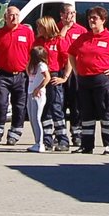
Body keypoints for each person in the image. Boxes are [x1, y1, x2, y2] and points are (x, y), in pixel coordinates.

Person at [70, 7, 109, 154]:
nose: (92, 20)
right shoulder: (83, 38)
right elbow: (71, 53)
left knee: (106, 113)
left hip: (103, 81)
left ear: (103, 20)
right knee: (86, 115)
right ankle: (87, 145)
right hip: (84, 81)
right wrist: (76, 70)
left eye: (95, 18)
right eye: (90, 17)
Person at [0, 4, 34, 146]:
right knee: (0, 103)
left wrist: (32, 73)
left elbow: (33, 54)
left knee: (19, 106)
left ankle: (14, 134)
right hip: (3, 75)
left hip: (21, 76)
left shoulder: (27, 32)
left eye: (17, 15)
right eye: (11, 15)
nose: (14, 18)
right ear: (5, 18)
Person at [35, 16, 69, 151]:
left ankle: (63, 140)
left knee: (56, 108)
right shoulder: (38, 41)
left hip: (54, 77)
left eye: (40, 27)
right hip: (42, 77)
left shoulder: (59, 40)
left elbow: (68, 60)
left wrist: (65, 77)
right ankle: (47, 140)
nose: (38, 29)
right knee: (44, 109)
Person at [57, 4, 87, 148]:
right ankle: (60, 136)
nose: (72, 16)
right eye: (69, 13)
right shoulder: (55, 28)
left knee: (76, 105)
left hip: (76, 71)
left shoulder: (81, 30)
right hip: (58, 70)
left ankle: (77, 134)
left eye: (73, 13)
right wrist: (65, 28)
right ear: (62, 15)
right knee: (59, 105)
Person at [26, 45, 50, 152]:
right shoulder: (32, 65)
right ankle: (36, 142)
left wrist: (39, 88)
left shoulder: (42, 65)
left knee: (36, 118)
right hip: (30, 92)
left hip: (38, 94)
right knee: (31, 118)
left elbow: (47, 77)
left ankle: (40, 143)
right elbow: (28, 73)